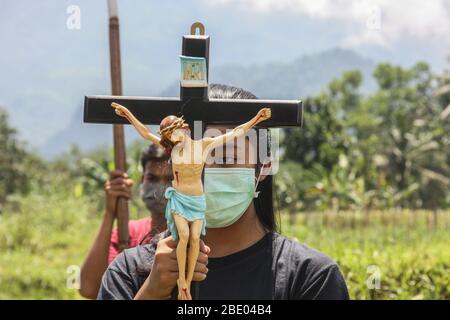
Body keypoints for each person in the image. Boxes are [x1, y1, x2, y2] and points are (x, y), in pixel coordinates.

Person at [97, 84, 350, 300]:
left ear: (264, 165)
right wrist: (150, 293)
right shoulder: (129, 273)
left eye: (227, 158)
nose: (207, 172)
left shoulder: (309, 278)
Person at [79, 144, 172, 299]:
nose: (161, 187)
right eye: (153, 178)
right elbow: (89, 288)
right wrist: (110, 212)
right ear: (143, 180)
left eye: (169, 179)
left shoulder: (193, 236)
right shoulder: (130, 232)